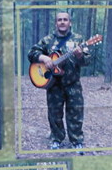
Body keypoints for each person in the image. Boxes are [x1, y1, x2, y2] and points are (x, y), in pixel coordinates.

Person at [27, 11, 88, 150]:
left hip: (73, 84)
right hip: (54, 85)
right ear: (56, 23)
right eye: (59, 20)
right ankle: (56, 138)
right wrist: (44, 58)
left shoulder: (79, 40)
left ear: (70, 23)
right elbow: (31, 53)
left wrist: (80, 56)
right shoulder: (47, 40)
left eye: (65, 19)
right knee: (54, 114)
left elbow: (87, 61)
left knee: (76, 112)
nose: (62, 22)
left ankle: (77, 140)